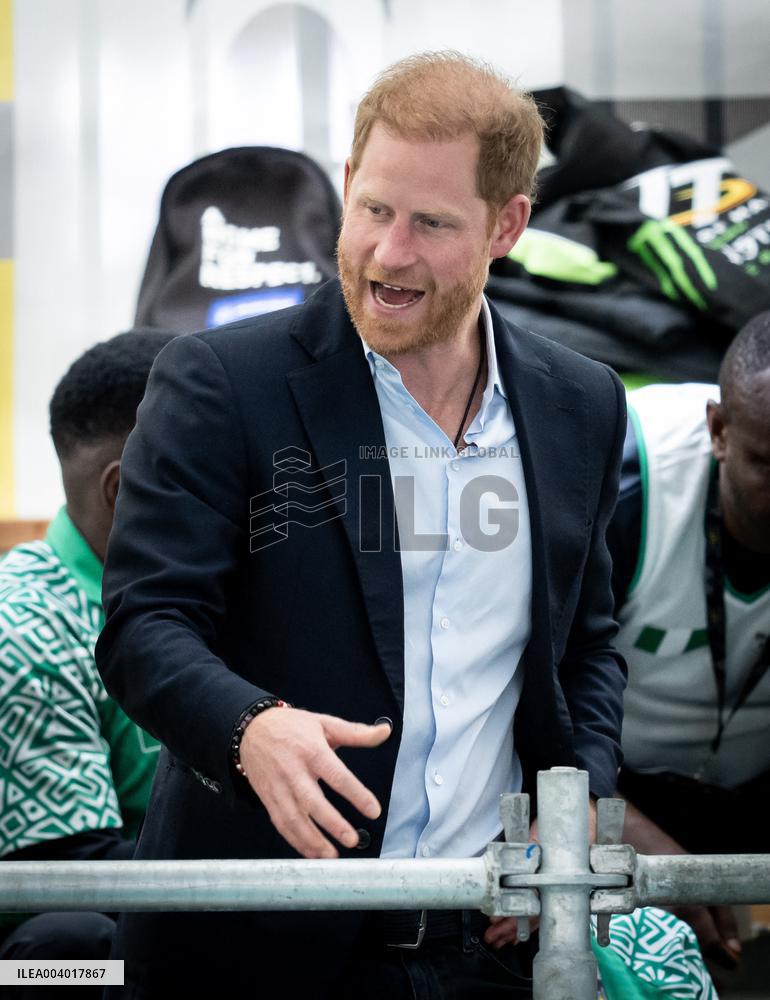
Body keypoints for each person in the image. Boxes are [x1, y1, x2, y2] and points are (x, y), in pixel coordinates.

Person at [96, 52, 627, 999]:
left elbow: (585, 648)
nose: (388, 253)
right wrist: (249, 728)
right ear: (346, 182)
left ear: (508, 225)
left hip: (488, 950)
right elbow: (144, 625)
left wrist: (575, 799)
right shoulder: (221, 384)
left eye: (432, 224)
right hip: (255, 957)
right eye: (375, 208)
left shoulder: (580, 404)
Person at [0, 330, 175, 992]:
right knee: (70, 949)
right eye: (213, 473)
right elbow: (73, 873)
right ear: (124, 489)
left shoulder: (209, 595)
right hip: (43, 963)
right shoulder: (26, 629)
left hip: (166, 917)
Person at [608, 312, 770, 972]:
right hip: (613, 787)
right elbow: (503, 703)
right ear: (719, 431)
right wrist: (637, 846)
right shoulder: (614, 482)